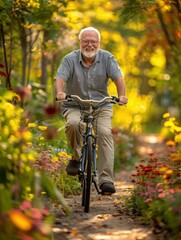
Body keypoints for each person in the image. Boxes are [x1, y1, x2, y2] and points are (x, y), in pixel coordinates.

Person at [55, 27, 128, 195]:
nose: (89, 44)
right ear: (80, 42)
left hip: (100, 106)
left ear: (98, 43)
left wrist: (122, 96)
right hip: (74, 104)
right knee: (73, 124)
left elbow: (118, 78)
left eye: (93, 41)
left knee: (104, 133)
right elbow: (60, 78)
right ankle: (76, 157)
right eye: (86, 41)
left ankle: (106, 180)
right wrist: (60, 93)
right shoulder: (70, 59)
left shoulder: (107, 58)